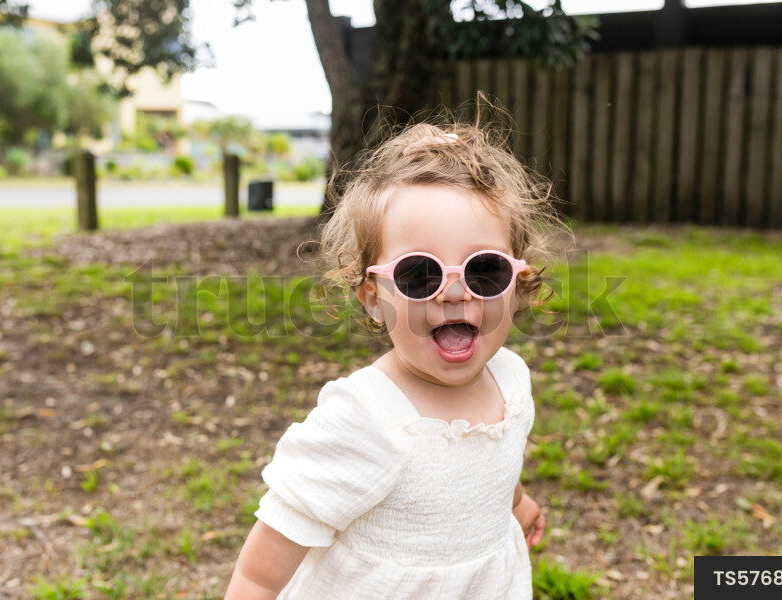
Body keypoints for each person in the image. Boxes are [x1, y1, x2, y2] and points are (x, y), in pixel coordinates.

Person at [224, 109, 569, 600]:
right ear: (372, 297)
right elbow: (268, 559)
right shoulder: (365, 417)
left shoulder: (511, 379)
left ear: (518, 285)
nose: (453, 293)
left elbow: (490, 464)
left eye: (484, 270)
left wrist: (515, 501)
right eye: (419, 274)